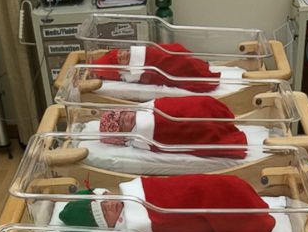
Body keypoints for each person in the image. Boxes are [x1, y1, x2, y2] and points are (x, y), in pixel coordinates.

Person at [57, 174, 276, 232]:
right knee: (215, 196)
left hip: (191, 188)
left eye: (106, 199)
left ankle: (249, 206)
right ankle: (250, 218)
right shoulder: (137, 225)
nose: (111, 204)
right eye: (104, 212)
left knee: (217, 186)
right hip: (177, 208)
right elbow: (175, 222)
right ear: (108, 229)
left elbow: (176, 186)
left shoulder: (134, 190)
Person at [97, 96, 247, 158]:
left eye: (123, 115)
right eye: (122, 124)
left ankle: (219, 116)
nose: (127, 118)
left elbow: (172, 104)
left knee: (201, 104)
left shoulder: (145, 107)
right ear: (124, 138)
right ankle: (222, 129)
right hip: (169, 128)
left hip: (171, 110)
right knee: (200, 126)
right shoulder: (141, 138)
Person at [90, 43, 219, 92]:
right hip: (159, 65)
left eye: (120, 52)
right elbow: (156, 75)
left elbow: (159, 51)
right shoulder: (134, 74)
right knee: (177, 65)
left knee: (175, 53)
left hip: (164, 54)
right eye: (120, 59)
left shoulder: (137, 53)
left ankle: (197, 66)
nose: (123, 54)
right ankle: (197, 71)